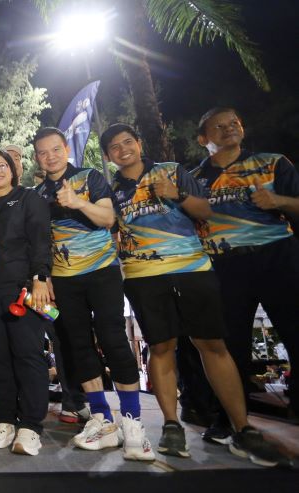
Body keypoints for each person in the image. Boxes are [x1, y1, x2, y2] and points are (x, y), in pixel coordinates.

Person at [103, 122, 288, 467]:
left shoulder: (173, 171)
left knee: (213, 345)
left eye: (128, 141)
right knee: (161, 348)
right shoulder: (110, 189)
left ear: (139, 143)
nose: (123, 149)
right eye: (114, 146)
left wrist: (177, 194)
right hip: (143, 276)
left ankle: (242, 428)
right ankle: (171, 426)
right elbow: (108, 230)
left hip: (193, 269)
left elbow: (205, 211)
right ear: (108, 156)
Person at [33, 127, 154, 461]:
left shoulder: (90, 177)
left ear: (66, 149)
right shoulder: (37, 194)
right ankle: (101, 418)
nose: (50, 157)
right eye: (43, 152)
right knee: (78, 345)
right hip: (64, 279)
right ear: (37, 158)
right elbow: (40, 241)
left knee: (113, 339)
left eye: (55, 149)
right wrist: (43, 277)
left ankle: (132, 423)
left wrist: (77, 202)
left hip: (102, 272)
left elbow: (108, 218)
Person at [191, 107, 299, 439]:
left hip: (278, 257)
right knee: (227, 345)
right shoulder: (193, 179)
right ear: (203, 139)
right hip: (223, 266)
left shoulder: (272, 163)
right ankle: (230, 419)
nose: (229, 129)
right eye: (218, 127)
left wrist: (279, 200)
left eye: (234, 123)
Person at [0, 149, 51, 456]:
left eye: (2, 166)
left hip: (24, 289)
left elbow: (41, 239)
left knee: (28, 355)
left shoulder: (29, 198)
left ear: (12, 169)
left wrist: (40, 277)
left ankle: (31, 425)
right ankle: (6, 419)